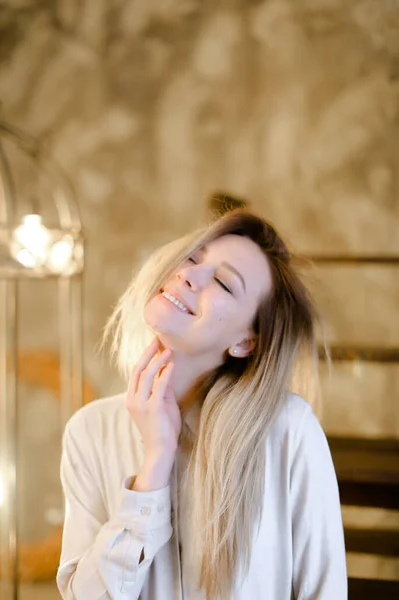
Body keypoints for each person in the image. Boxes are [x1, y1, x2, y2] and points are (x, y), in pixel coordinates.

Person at [57, 209, 347, 600]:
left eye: (224, 284)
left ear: (245, 342)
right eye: (193, 257)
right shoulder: (90, 430)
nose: (189, 274)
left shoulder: (288, 430)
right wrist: (154, 467)